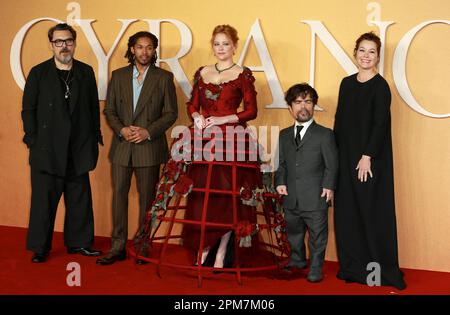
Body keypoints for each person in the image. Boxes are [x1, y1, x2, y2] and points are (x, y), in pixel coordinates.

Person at [21, 23, 103, 263]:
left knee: (80, 200)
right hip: (47, 150)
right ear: (51, 45)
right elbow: (28, 110)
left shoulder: (85, 72)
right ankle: (40, 247)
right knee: (42, 203)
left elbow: (91, 109)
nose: (64, 46)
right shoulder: (38, 73)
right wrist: (33, 140)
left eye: (68, 41)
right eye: (58, 42)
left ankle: (80, 243)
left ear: (74, 43)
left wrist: (93, 139)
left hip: (77, 149)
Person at [97, 31, 178, 265]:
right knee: (118, 197)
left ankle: (143, 247)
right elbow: (109, 111)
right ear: (132, 49)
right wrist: (121, 129)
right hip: (122, 146)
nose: (144, 52)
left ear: (154, 51)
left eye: (149, 47)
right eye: (140, 47)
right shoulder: (118, 76)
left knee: (147, 200)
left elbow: (171, 113)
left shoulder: (163, 78)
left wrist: (148, 131)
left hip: (149, 147)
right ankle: (117, 246)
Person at [333, 32, 406, 290]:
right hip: (346, 159)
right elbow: (339, 122)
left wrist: (367, 157)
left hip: (371, 162)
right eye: (362, 50)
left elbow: (380, 124)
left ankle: (378, 271)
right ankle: (354, 269)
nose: (366, 55)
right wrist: (335, 158)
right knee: (348, 214)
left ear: (377, 56)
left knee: (372, 214)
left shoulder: (380, 86)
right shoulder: (346, 83)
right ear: (355, 54)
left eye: (371, 51)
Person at [275, 84, 338, 282]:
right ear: (290, 108)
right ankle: (298, 260)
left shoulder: (324, 134)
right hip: (291, 196)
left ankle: (316, 268)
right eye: (298, 102)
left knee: (318, 236)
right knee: (294, 231)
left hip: (316, 195)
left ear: (314, 106)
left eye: (308, 102)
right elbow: (282, 163)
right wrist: (280, 182)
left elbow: (332, 164)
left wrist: (329, 186)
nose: (304, 106)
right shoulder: (284, 134)